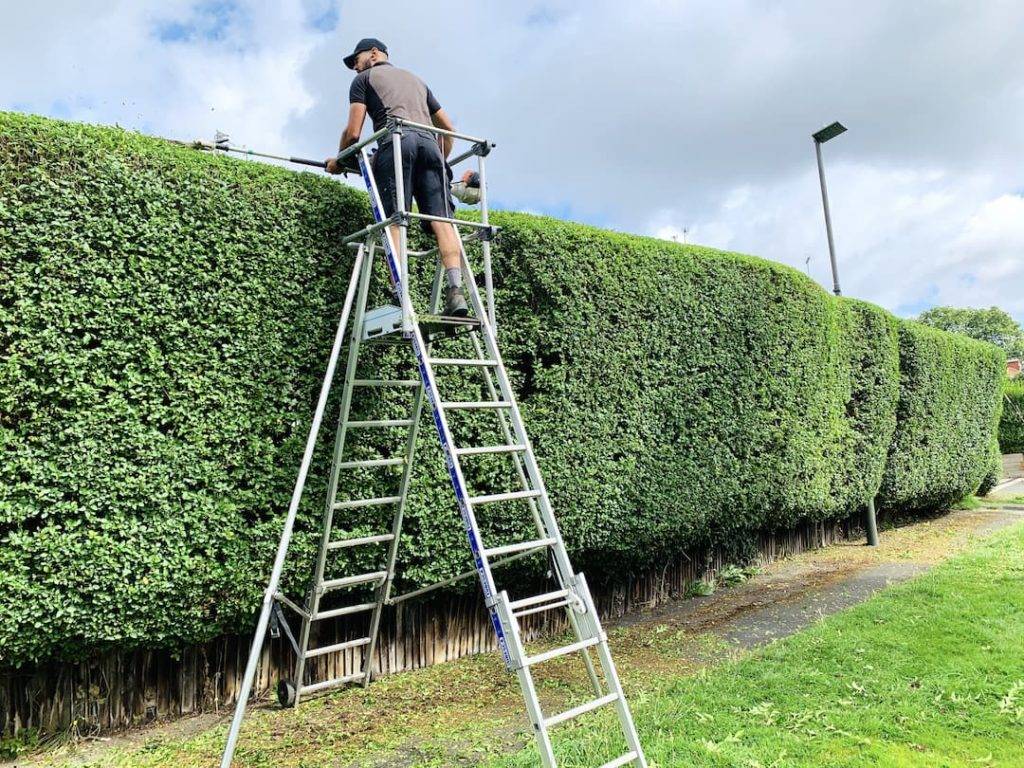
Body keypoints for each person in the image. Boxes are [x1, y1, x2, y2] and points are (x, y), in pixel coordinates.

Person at [326, 38, 468, 317]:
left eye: (356, 59)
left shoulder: (363, 79)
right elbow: (448, 129)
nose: (355, 67)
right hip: (431, 146)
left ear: (374, 53)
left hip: (396, 141)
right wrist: (439, 161)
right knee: (443, 221)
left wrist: (338, 161)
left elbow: (353, 133)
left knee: (394, 219)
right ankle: (456, 291)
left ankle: (400, 294)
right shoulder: (417, 80)